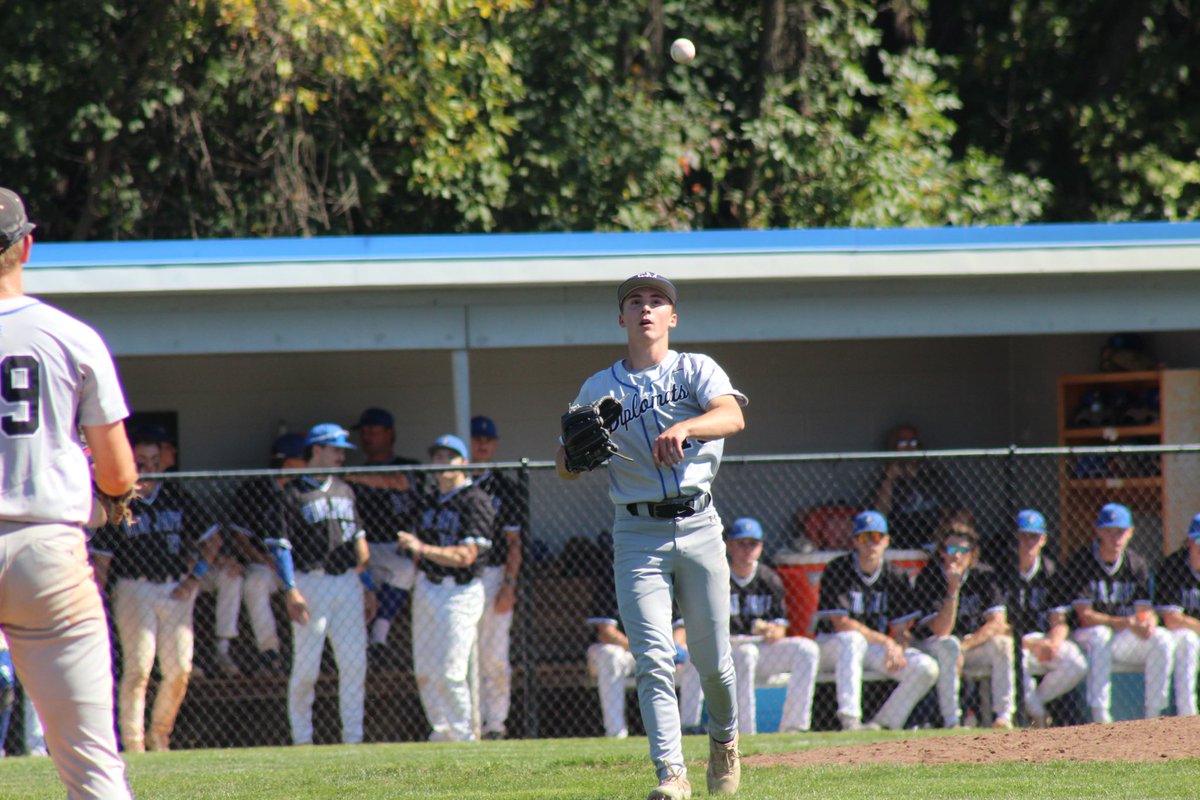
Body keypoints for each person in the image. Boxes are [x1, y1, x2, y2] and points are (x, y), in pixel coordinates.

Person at [555, 272, 746, 800]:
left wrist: (686, 427)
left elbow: (731, 416)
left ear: (672, 317)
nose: (645, 308)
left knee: (713, 664)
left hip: (700, 524)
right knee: (655, 658)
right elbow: (564, 467)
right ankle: (672, 775)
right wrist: (573, 455)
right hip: (636, 532)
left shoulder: (695, 369)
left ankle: (725, 739)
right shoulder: (598, 388)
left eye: (657, 301)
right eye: (634, 301)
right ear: (621, 318)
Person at [0, 185, 137, 796]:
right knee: (89, 762)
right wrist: (107, 498)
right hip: (44, 549)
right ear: (26, 245)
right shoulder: (70, 335)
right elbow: (120, 476)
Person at [91, 432, 222, 752]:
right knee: (139, 668)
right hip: (135, 588)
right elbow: (103, 560)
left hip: (175, 587)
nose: (148, 467)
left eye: (154, 461)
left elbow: (212, 541)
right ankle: (134, 742)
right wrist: (100, 600)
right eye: (141, 462)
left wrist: (195, 579)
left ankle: (160, 734)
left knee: (180, 668)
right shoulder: (120, 499)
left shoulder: (177, 497)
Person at [266, 423, 377, 745]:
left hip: (346, 582)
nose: (342, 456)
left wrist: (367, 585)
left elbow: (359, 542)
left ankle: (353, 738)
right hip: (310, 582)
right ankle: (303, 739)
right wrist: (291, 590)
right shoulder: (291, 493)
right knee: (307, 668)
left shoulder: (345, 490)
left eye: (343, 450)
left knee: (354, 665)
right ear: (316, 450)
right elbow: (280, 548)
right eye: (336, 449)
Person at [395, 434, 495, 742]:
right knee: (424, 669)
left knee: (452, 670)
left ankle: (465, 734)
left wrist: (421, 549)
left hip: (459, 592)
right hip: (428, 586)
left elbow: (466, 556)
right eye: (437, 456)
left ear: (463, 463)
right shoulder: (427, 500)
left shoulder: (475, 500)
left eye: (449, 456)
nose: (442, 462)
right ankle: (441, 730)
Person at [678, 518, 818, 735]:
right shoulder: (715, 576)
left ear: (761, 547)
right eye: (741, 543)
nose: (747, 549)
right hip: (726, 649)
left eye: (753, 543)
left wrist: (773, 631)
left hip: (762, 650)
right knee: (745, 653)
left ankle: (794, 726)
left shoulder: (769, 578)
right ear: (730, 545)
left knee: (807, 650)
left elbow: (780, 627)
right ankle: (744, 732)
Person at [815, 510, 938, 731]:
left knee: (925, 667)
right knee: (852, 639)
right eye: (864, 537)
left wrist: (898, 647)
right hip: (833, 647)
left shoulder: (896, 576)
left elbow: (901, 629)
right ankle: (850, 721)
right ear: (854, 541)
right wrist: (887, 642)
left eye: (876, 537)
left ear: (886, 541)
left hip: (874, 648)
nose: (871, 544)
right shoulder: (837, 569)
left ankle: (884, 724)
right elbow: (841, 623)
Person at [1064, 502, 1175, 723]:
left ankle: (1153, 715)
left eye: (1121, 532)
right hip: (1085, 639)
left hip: (1122, 639)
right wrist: (1127, 622)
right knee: (1100, 634)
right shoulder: (1082, 561)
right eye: (1109, 531)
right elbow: (1085, 616)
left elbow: (1143, 612)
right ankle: (1100, 715)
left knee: (1162, 638)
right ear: (1097, 532)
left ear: (1131, 532)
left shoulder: (1137, 564)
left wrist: (1148, 622)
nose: (1115, 539)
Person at [913, 519, 1015, 729]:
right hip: (934, 647)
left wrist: (965, 647)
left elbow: (998, 623)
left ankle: (1004, 716)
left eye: (963, 549)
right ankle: (953, 721)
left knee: (1003, 644)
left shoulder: (985, 576)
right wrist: (953, 589)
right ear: (941, 552)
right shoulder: (928, 577)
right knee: (949, 644)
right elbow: (941, 630)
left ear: (972, 554)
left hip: (969, 645)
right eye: (951, 548)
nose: (956, 555)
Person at [224, 433, 308, 676]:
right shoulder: (255, 490)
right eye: (304, 458)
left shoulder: (307, 490)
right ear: (290, 462)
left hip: (303, 565)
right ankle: (269, 652)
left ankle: (312, 656)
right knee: (254, 583)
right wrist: (267, 560)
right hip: (266, 564)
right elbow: (240, 538)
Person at [345, 407, 418, 664]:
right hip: (361, 547)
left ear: (390, 434)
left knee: (404, 569)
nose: (367, 437)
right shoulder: (354, 473)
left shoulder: (408, 466)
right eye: (364, 432)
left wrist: (352, 476)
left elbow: (398, 482)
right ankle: (361, 644)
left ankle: (379, 638)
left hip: (397, 545)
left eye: (373, 431)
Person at [469, 414, 526, 740]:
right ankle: (471, 721)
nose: (482, 444)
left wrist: (509, 584)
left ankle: (495, 723)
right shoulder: (453, 481)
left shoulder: (504, 486)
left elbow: (514, 543)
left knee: (494, 652)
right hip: (461, 577)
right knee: (466, 651)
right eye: (477, 438)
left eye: (488, 439)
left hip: (493, 573)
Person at [1005, 509, 1087, 727]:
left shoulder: (1051, 571)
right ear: (1015, 538)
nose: (1028, 542)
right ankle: (1039, 716)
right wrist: (1030, 644)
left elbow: (1058, 620)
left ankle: (1033, 705)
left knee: (1076, 662)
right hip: (1014, 642)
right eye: (1023, 536)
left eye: (1034, 536)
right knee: (1011, 658)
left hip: (1043, 639)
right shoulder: (1002, 572)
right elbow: (997, 626)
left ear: (1043, 539)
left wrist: (1053, 642)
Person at [869, 424, 961, 550]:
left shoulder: (933, 476)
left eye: (913, 443)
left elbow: (949, 507)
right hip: (899, 539)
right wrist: (889, 480)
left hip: (932, 537)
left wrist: (941, 530)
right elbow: (879, 513)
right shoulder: (888, 478)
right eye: (902, 444)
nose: (909, 447)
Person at [1152, 513, 1200, 717]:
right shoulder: (1173, 566)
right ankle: (1187, 713)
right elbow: (1172, 619)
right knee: (1188, 640)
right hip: (1179, 634)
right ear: (1190, 542)